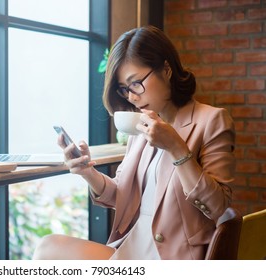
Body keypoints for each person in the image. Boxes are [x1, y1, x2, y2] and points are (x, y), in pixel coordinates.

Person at [33, 25, 235, 260]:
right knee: (48, 248)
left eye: (136, 83)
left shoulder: (211, 120)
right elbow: (121, 195)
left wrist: (175, 147)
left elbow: (219, 208)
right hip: (133, 246)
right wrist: (87, 172)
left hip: (173, 256)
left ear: (166, 69)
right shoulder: (139, 126)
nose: (131, 96)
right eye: (124, 89)